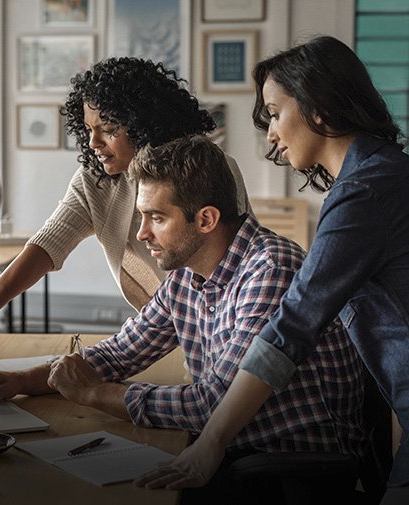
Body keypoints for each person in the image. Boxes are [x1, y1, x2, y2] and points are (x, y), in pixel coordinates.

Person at [0, 135, 367, 503]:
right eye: (142, 216)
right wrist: (25, 380)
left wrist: (95, 396)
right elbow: (121, 352)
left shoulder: (270, 270)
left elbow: (211, 406)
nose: (143, 233)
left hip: (287, 469)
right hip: (233, 452)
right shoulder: (189, 272)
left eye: (157, 218)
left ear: (205, 219)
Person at [136, 36, 409, 505]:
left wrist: (212, 441)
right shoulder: (378, 176)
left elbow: (294, 324)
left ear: (318, 108)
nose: (271, 135)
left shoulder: (366, 191)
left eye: (276, 112)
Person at [0, 57, 251, 358]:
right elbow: (49, 242)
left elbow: (230, 268)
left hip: (221, 326)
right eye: (89, 129)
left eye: (108, 128)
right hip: (159, 329)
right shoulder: (96, 179)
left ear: (145, 123)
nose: (93, 142)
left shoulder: (206, 169)